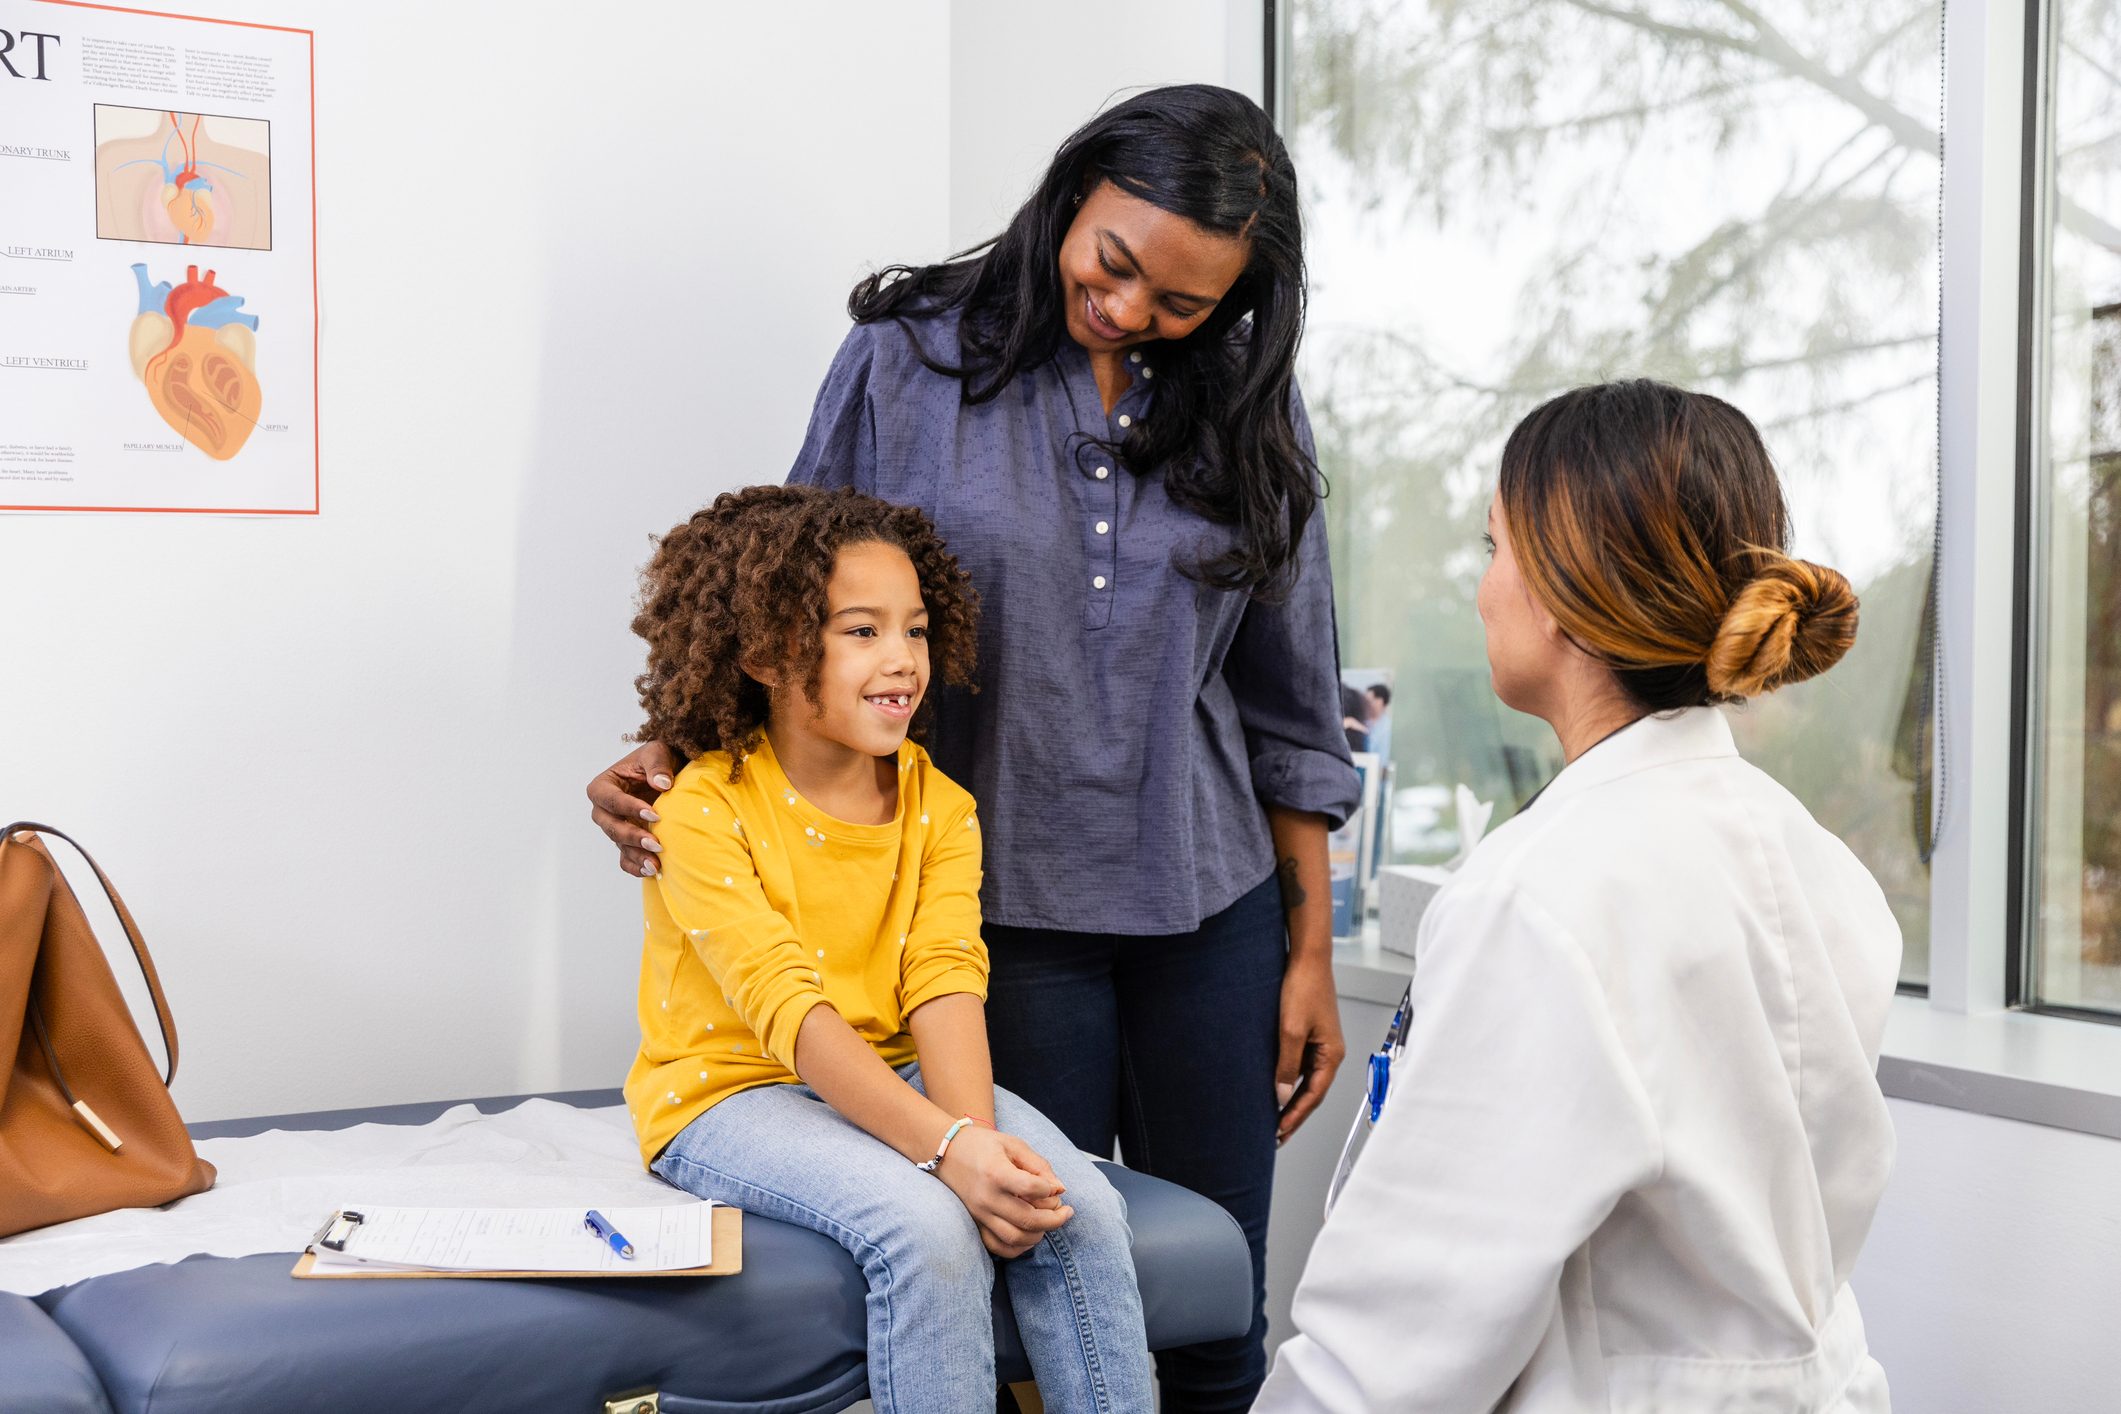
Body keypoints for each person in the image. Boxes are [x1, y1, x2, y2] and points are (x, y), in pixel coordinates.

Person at [589, 85, 1358, 1408]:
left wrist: (1307, 952)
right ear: (1072, 195)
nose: (1126, 310)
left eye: (1179, 304)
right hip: (997, 911)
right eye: (1112, 263)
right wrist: (674, 750)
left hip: (1209, 908)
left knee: (1219, 1303)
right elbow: (790, 586)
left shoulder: (1245, 407)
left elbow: (1291, 705)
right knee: (1027, 1271)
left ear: (1233, 305)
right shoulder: (909, 359)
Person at [1256, 381, 1901, 1412]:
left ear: (1562, 588)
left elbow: (1396, 1342)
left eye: (1493, 548)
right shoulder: (1820, 867)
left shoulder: (1542, 896)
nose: (1483, 589)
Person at [625, 485, 1152, 1413]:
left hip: (895, 1071)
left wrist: (981, 1154)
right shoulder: (702, 809)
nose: (903, 660)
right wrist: (946, 1155)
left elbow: (945, 982)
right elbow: (785, 1007)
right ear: (762, 651)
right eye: (861, 631)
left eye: (914, 630)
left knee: (1075, 1210)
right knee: (929, 1231)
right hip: (727, 1095)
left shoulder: (939, 807)